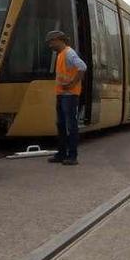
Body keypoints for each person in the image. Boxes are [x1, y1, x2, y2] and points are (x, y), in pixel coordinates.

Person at [45, 30, 86, 166]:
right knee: (61, 125)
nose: (50, 45)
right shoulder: (61, 55)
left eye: (51, 42)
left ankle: (72, 156)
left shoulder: (69, 53)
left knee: (70, 125)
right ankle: (62, 154)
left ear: (59, 40)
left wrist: (72, 83)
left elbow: (82, 67)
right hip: (62, 95)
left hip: (70, 95)